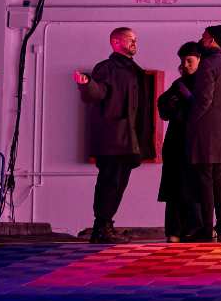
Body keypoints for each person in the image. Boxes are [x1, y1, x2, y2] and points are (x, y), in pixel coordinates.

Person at [73, 26, 148, 244]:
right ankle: (101, 227)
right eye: (129, 39)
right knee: (110, 182)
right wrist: (86, 85)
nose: (134, 42)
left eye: (135, 39)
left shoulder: (133, 69)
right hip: (113, 138)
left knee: (117, 183)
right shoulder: (107, 68)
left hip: (127, 138)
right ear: (115, 42)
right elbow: (99, 92)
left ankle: (104, 225)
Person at [185, 24, 221, 242]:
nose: (201, 39)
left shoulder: (208, 65)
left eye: (204, 37)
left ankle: (206, 228)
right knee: (220, 180)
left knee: (205, 180)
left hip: (205, 131)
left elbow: (204, 99)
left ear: (212, 40)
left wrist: (190, 121)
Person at [157, 43, 203, 243]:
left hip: (188, 144)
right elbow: (164, 109)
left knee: (185, 189)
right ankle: (179, 230)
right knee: (180, 189)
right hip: (179, 144)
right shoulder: (180, 84)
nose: (184, 65)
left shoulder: (194, 85)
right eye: (183, 61)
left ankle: (182, 230)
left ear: (200, 61)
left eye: (189, 61)